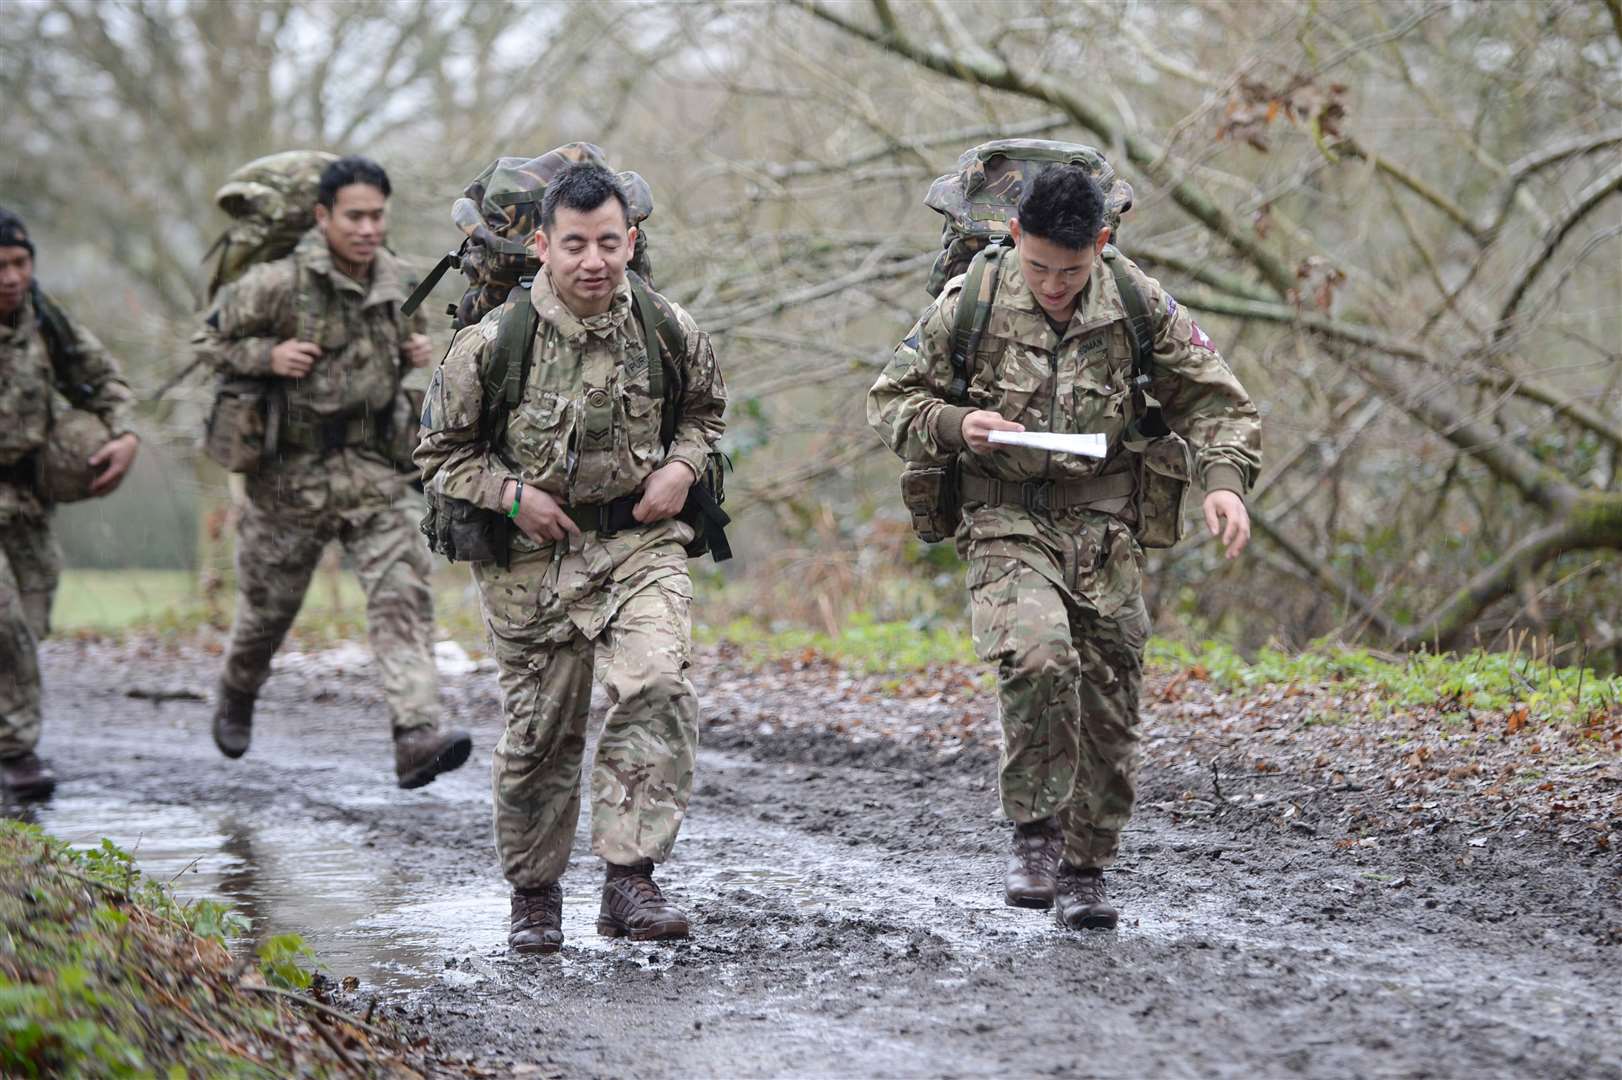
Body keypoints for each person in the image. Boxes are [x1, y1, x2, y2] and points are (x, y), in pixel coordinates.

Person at [868, 165, 1262, 930]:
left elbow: (1216, 398)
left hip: (1104, 526)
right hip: (1002, 516)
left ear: (1102, 246)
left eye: (1071, 270)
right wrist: (957, 425)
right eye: (1039, 265)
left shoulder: (1137, 302)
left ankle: (1086, 870)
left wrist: (1223, 482)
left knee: (1110, 708)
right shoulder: (971, 301)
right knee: (1037, 653)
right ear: (1016, 236)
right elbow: (891, 401)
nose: (1053, 284)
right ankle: (1036, 835)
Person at [416, 161, 727, 953]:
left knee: (656, 682)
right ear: (543, 246)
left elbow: (705, 416)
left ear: (632, 242)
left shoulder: (667, 328)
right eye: (577, 244)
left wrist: (681, 469)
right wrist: (513, 496)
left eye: (610, 243)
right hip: (530, 562)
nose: (595, 261)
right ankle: (535, 893)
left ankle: (630, 879)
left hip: (638, 543)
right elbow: (439, 455)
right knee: (540, 735)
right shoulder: (491, 345)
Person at [195, 155, 471, 789]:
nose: (369, 228)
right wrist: (267, 355)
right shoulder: (274, 284)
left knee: (402, 590)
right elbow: (208, 342)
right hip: (289, 476)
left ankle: (414, 733)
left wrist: (415, 352)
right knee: (268, 612)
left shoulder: (401, 282)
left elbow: (407, 351)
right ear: (323, 217)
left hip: (373, 468)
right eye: (356, 216)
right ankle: (238, 692)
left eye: (378, 215)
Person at [0, 207, 141, 799]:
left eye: (20, 263)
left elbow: (103, 377)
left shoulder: (43, 320)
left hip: (25, 496)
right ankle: (16, 752)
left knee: (31, 616)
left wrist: (126, 435)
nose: (10, 277)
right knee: (3, 619)